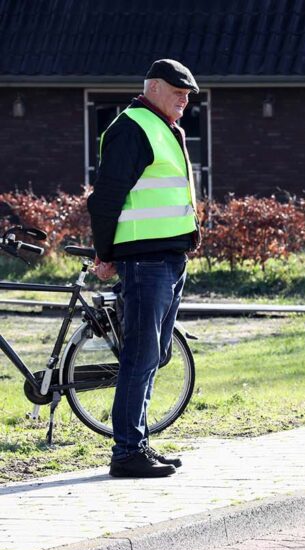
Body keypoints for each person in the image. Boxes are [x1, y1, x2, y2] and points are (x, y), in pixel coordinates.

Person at [87, 59, 201, 478]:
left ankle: (138, 444)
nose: (185, 100)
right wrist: (106, 254)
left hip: (170, 258)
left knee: (156, 353)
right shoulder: (131, 129)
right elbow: (105, 199)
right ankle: (127, 453)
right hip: (145, 260)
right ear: (153, 87)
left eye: (188, 95)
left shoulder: (164, 127)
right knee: (141, 354)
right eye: (178, 92)